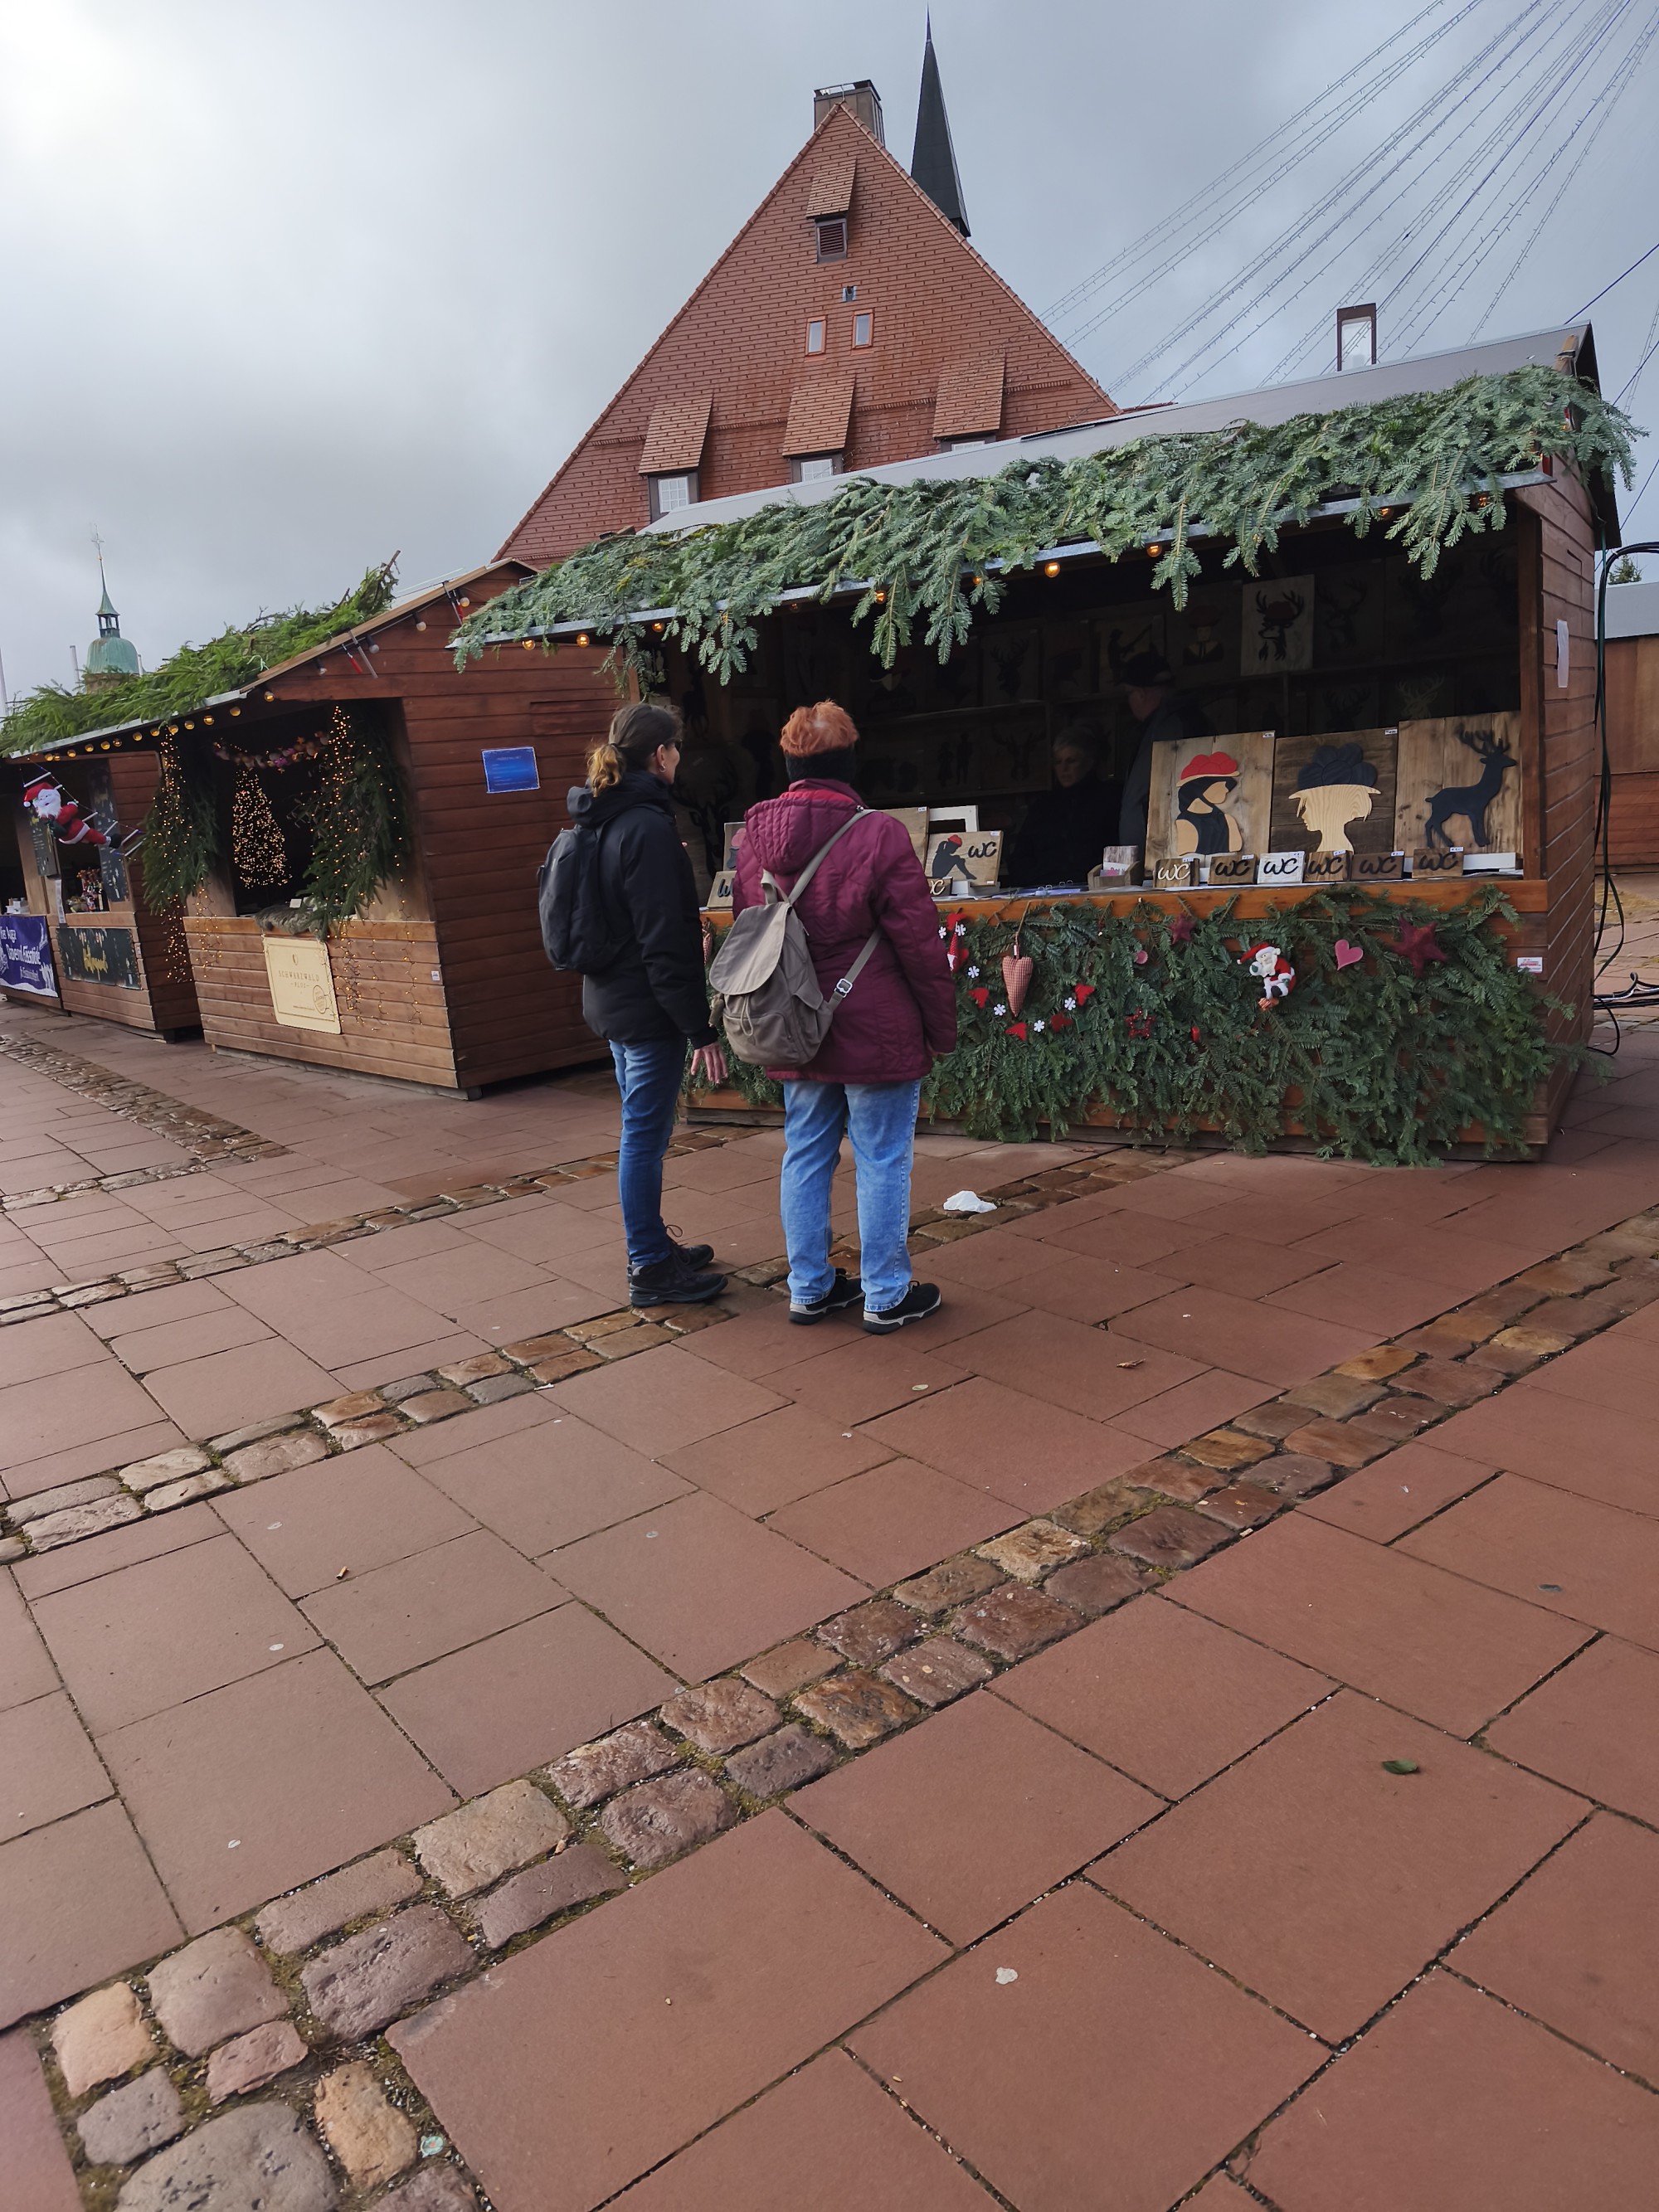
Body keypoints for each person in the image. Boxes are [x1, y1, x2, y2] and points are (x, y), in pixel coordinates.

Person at [732, 699, 957, 1333]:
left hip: (794, 1022)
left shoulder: (753, 841)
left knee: (804, 1152)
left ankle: (809, 1287)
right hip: (875, 1023)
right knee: (882, 1157)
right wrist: (941, 1029)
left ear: (789, 762)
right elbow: (918, 940)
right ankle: (884, 1294)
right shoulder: (879, 833)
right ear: (850, 759)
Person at [568, 702, 730, 1309]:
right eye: (677, 749)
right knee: (643, 1135)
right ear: (661, 755)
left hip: (611, 1000)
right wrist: (699, 1028)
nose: (679, 758)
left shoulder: (599, 818)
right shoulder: (647, 828)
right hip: (647, 1010)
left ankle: (654, 1246)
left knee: (641, 1129)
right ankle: (650, 1264)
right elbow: (668, 942)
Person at [1115, 652, 1212, 848]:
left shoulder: (1171, 726)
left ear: (1141, 693)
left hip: (1166, 853)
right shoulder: (1166, 723)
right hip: (1162, 852)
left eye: (1129, 694)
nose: (1129, 702)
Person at [1005, 726, 1121, 886]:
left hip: (1096, 891)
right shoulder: (1042, 806)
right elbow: (1021, 856)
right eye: (1058, 762)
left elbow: (1118, 850)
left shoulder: (1109, 799)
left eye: (1071, 761)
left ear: (1089, 762)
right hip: (1043, 892)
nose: (1064, 769)